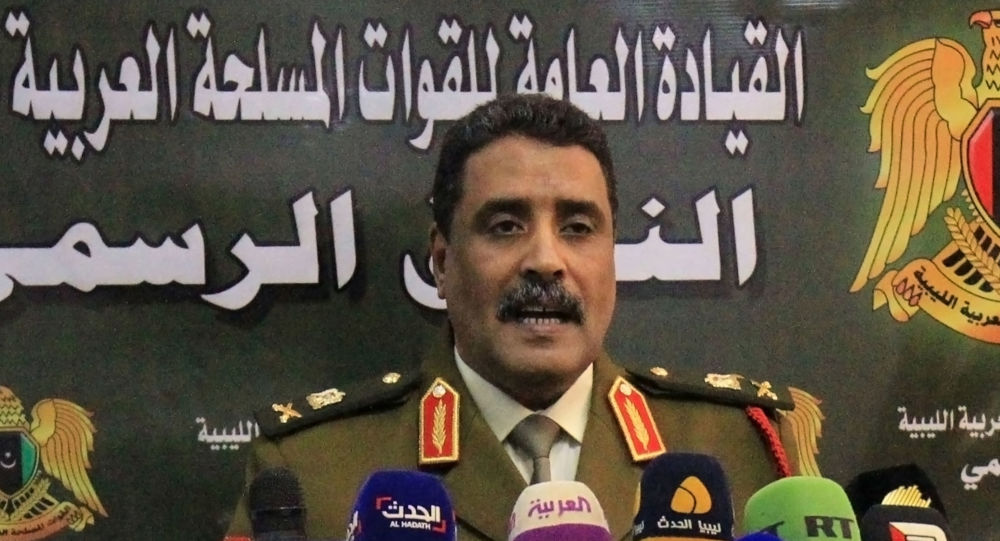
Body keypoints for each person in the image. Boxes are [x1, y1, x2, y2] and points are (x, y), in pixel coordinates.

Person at [225, 94, 820, 541]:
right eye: (506, 226)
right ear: (442, 261)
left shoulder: (740, 446)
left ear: (612, 257)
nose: (545, 261)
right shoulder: (312, 469)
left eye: (578, 228)